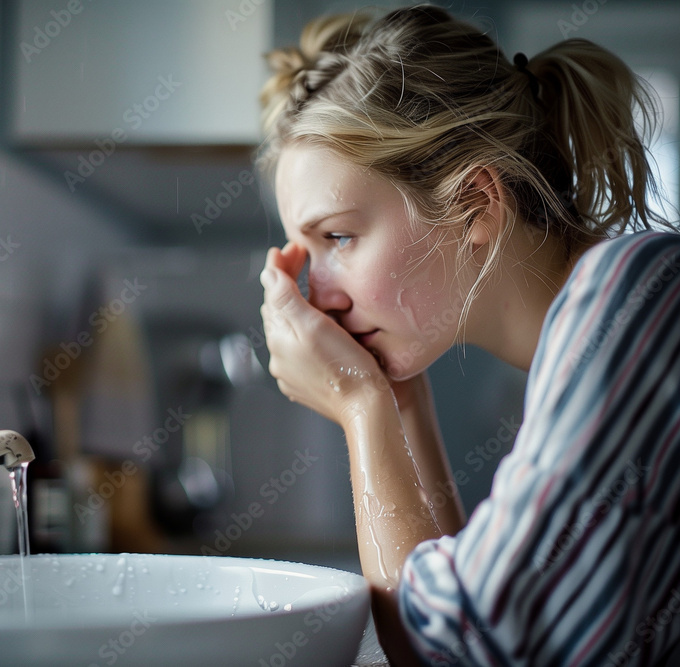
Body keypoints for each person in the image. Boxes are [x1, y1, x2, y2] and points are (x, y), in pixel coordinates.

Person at [256, 5, 680, 666]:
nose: (321, 294)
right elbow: (467, 608)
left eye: (338, 236)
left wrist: (358, 405)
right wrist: (398, 402)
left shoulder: (634, 297)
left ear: (476, 203)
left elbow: (457, 649)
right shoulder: (603, 321)